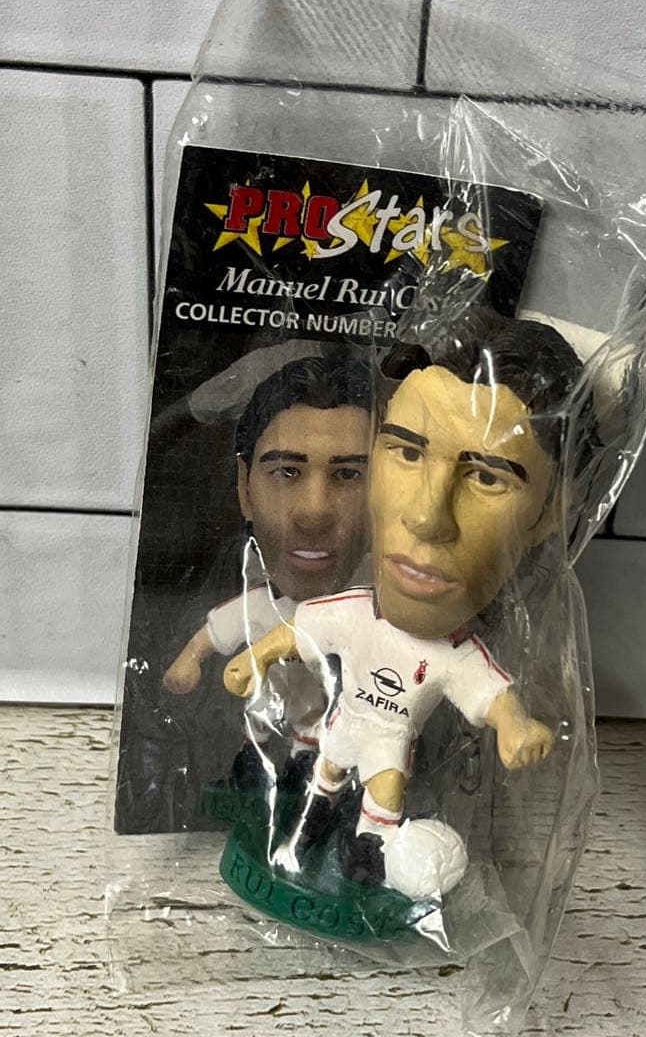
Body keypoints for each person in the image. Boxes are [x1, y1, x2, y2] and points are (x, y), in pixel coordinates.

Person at [224, 306, 593, 884]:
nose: (425, 517)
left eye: (487, 477)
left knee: (385, 795)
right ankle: (311, 829)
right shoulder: (355, 609)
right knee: (325, 776)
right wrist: (256, 656)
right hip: (341, 728)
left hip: (390, 743)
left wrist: (516, 727)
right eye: (407, 452)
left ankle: (365, 857)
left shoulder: (456, 654)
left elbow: (491, 696)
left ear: (553, 512)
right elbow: (302, 632)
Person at [163, 354, 372, 786]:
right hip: (270, 705)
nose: (314, 513)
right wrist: (188, 664)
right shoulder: (259, 606)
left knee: (313, 753)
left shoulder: (376, 611)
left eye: (349, 474)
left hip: (333, 725)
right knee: (260, 734)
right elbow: (211, 636)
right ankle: (255, 770)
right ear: (245, 487)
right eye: (287, 471)